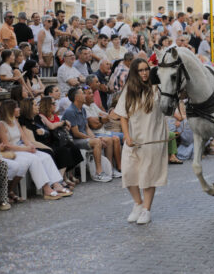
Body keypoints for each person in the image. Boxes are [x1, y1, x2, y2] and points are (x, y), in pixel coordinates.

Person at [116, 58, 169, 225]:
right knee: (128, 173)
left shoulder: (156, 88)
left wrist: (179, 115)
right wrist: (127, 137)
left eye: (146, 69)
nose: (145, 72)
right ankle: (137, 204)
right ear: (134, 72)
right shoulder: (128, 90)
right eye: (141, 70)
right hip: (134, 138)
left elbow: (169, 105)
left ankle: (146, 210)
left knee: (148, 174)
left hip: (153, 137)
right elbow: (123, 116)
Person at [0, 100, 69, 200]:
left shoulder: (15, 121)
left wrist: (30, 146)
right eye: (17, 107)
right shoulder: (1, 125)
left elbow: (24, 138)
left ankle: (56, 184)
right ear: (10, 110)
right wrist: (26, 148)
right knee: (34, 159)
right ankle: (46, 189)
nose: (19, 109)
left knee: (45, 156)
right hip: (12, 151)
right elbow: (7, 145)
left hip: (22, 147)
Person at [61, 87, 111, 182]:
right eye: (82, 93)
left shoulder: (82, 109)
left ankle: (109, 169)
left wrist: (95, 137)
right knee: (96, 142)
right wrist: (93, 139)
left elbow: (87, 128)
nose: (85, 95)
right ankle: (99, 173)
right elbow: (76, 133)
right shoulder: (70, 111)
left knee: (106, 140)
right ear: (76, 97)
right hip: (74, 140)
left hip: (84, 137)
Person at [36, 96, 84, 187]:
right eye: (53, 103)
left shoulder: (54, 116)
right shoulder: (41, 116)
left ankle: (68, 175)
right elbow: (51, 126)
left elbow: (59, 126)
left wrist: (65, 126)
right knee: (64, 151)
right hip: (49, 141)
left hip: (58, 140)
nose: (55, 105)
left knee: (73, 148)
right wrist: (63, 122)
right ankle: (61, 179)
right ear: (47, 105)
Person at [82, 84, 122, 177]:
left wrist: (100, 120)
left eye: (92, 93)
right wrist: (102, 120)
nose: (92, 95)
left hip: (104, 131)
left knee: (122, 137)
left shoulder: (92, 104)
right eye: (89, 93)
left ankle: (115, 168)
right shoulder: (84, 108)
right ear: (84, 96)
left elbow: (107, 116)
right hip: (97, 133)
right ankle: (114, 168)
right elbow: (93, 124)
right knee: (116, 138)